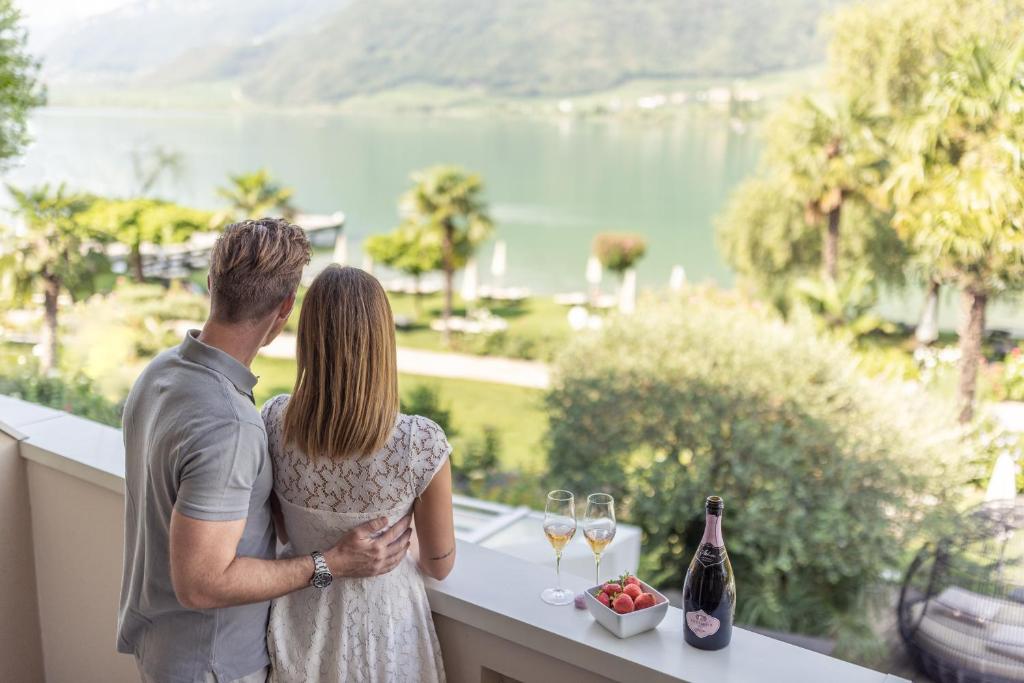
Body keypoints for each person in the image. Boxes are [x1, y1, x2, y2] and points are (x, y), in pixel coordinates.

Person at [117, 219, 413, 683]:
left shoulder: (160, 374)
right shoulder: (229, 425)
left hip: (163, 647)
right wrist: (332, 564)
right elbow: (200, 583)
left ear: (212, 283)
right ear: (284, 310)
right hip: (212, 666)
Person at [261, 264, 455, 682]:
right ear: (382, 341)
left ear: (309, 340)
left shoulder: (275, 421)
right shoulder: (418, 442)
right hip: (385, 631)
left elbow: (279, 526)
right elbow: (440, 564)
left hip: (301, 622)